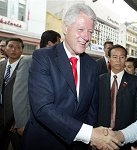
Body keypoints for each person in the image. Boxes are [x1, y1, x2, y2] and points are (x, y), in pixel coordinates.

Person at [20, 3, 120, 150]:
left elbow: (91, 110)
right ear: (66, 28)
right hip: (43, 142)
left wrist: (87, 140)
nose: (86, 37)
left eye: (90, 32)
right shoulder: (43, 57)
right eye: (80, 29)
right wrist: (89, 134)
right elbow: (43, 108)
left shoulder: (92, 66)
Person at [12, 30, 61, 139]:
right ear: (49, 43)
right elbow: (19, 94)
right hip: (30, 121)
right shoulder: (28, 61)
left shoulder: (56, 63)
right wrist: (21, 123)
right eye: (58, 44)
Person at [97, 44, 137, 150]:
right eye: (114, 57)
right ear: (109, 59)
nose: (118, 60)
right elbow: (94, 108)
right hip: (101, 134)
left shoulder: (136, 82)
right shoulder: (99, 80)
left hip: (125, 136)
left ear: (125, 59)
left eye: (122, 57)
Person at [0, 38, 24, 150]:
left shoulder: (26, 68)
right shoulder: (1, 65)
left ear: (22, 50)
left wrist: (19, 119)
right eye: (10, 46)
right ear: (5, 48)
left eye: (18, 47)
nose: (14, 49)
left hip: (15, 118)